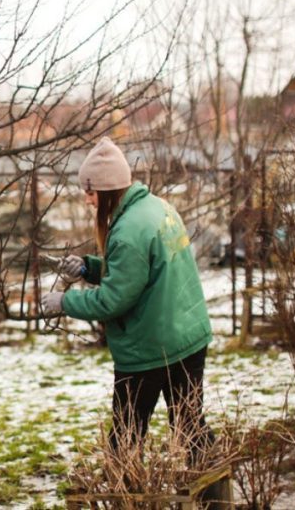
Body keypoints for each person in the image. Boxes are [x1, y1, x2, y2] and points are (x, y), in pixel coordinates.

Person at [40, 137, 214, 459]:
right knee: (191, 427)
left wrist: (64, 303)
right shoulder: (158, 207)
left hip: (150, 347)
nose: (88, 201)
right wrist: (89, 268)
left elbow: (112, 301)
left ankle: (127, 497)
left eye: (90, 192)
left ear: (105, 190)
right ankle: (215, 496)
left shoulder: (127, 231)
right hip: (186, 337)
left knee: (126, 438)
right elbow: (141, 273)